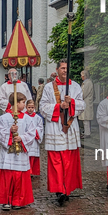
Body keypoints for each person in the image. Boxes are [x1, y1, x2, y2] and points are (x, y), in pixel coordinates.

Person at [39, 60, 85, 205]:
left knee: (69, 161)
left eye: (67, 68)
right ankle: (59, 190)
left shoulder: (75, 86)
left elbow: (82, 105)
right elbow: (42, 106)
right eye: (63, 68)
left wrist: (71, 103)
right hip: (55, 127)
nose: (65, 70)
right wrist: (59, 106)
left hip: (70, 127)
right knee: (56, 161)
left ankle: (67, 189)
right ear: (57, 70)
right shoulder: (48, 87)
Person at [0, 92, 36, 209]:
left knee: (19, 176)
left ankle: (18, 201)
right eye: (23, 102)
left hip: (21, 152)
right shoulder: (4, 118)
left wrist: (21, 138)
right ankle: (6, 200)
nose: (24, 104)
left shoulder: (27, 118)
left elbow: (32, 133)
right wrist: (9, 132)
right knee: (8, 176)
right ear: (16, 103)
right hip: (8, 154)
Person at [25, 99, 44, 176]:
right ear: (26, 107)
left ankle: (33, 171)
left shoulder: (38, 118)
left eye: (32, 107)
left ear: (34, 108)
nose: (30, 109)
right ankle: (27, 171)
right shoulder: (24, 116)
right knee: (27, 156)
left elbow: (40, 128)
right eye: (29, 107)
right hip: (27, 139)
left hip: (34, 140)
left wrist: (36, 131)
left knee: (33, 156)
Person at [79, 69, 94, 138]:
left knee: (86, 119)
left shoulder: (87, 83)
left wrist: (78, 98)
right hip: (86, 102)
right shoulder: (87, 82)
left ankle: (87, 133)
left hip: (86, 103)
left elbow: (84, 93)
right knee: (85, 119)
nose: (81, 77)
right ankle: (86, 132)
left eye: (82, 76)